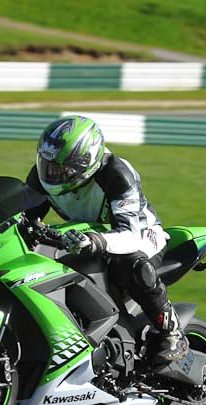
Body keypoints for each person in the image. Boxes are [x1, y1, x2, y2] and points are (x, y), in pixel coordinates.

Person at [24, 115, 188, 362]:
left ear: (86, 161)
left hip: (141, 235)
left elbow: (130, 234)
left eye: (60, 167)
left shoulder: (117, 174)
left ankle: (172, 333)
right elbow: (25, 219)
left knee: (132, 265)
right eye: (47, 164)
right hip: (83, 238)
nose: (51, 173)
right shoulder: (41, 177)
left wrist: (97, 241)